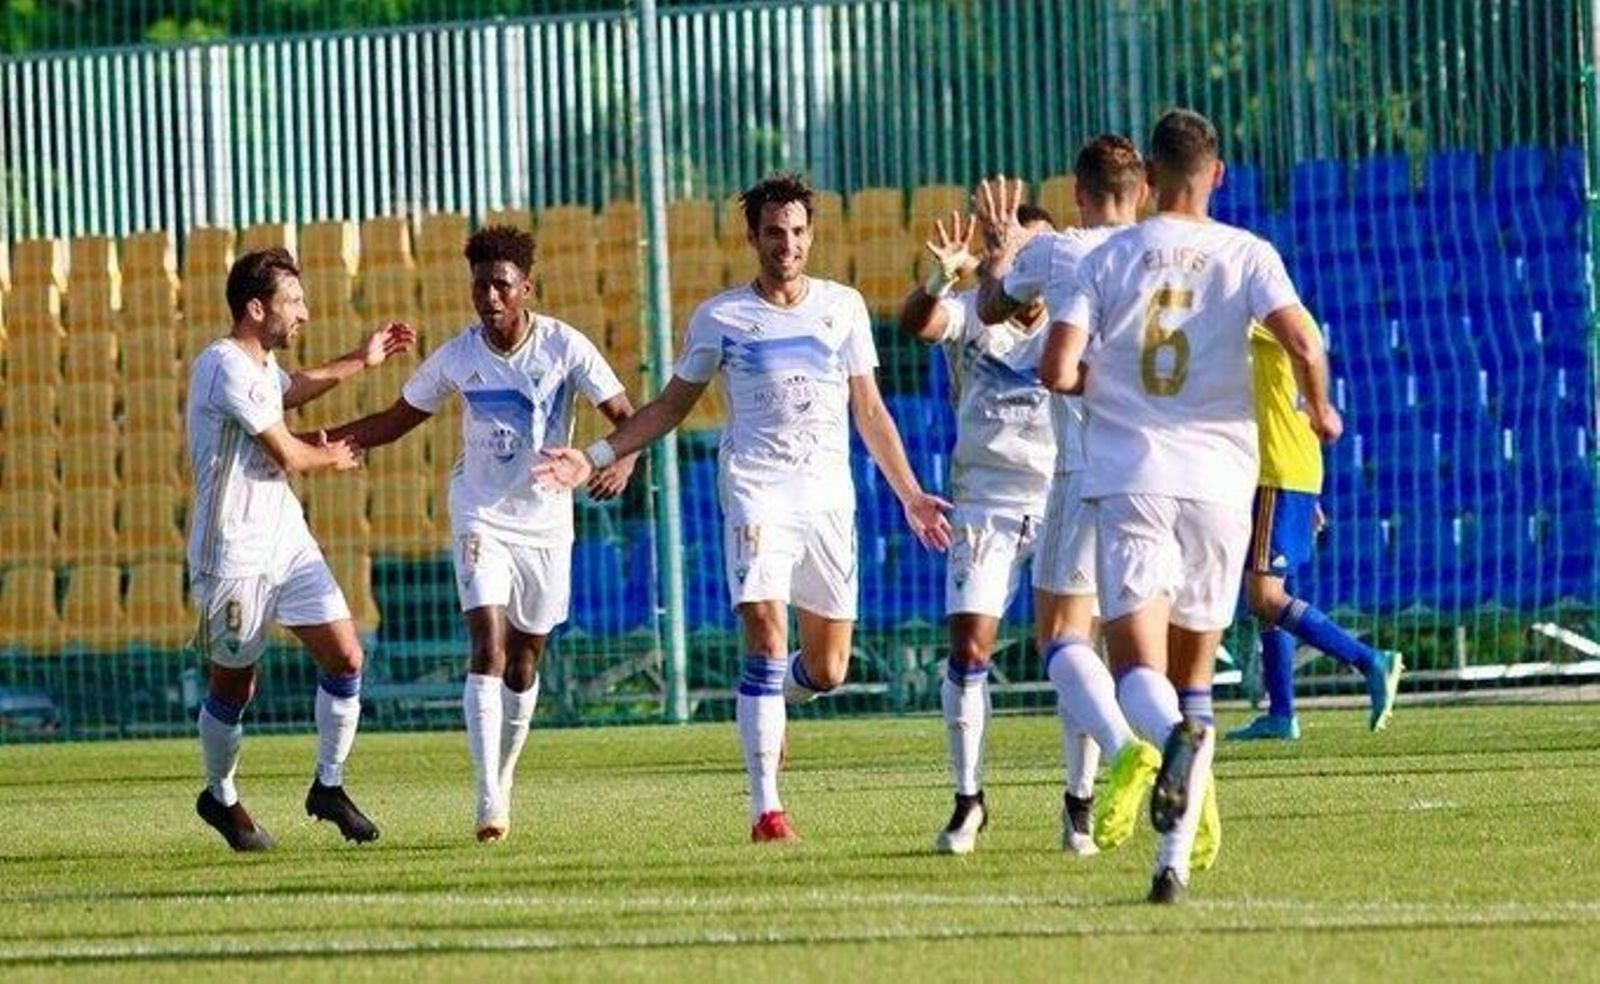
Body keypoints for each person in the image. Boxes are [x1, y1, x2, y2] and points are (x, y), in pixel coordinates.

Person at [535, 173, 951, 843]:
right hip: (758, 492)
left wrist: (909, 495)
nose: (785, 244)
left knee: (829, 670)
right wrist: (596, 455)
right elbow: (671, 406)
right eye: (773, 233)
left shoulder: (840, 308)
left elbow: (868, 409)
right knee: (764, 635)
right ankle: (767, 808)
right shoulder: (721, 318)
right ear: (753, 238)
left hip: (827, 501)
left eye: (796, 232)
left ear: (810, 236)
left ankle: (772, 704)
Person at [1041, 109, 1341, 903]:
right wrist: (1321, 410)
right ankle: (1169, 867)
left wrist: (1093, 383)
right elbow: (1306, 342)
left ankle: (1169, 741)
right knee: (1196, 675)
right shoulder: (1248, 253)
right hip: (1220, 484)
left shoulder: (1106, 256)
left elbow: (1057, 367)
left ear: (1148, 181)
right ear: (1217, 174)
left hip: (1132, 473)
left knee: (1138, 666)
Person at [322, 225, 637, 843]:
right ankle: (487, 796)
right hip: (480, 515)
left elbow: (627, 419)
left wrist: (616, 463)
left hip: (546, 524)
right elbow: (395, 419)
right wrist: (321, 443)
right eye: (480, 285)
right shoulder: (460, 356)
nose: (489, 297)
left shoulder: (564, 347)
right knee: (488, 645)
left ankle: (506, 775)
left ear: (527, 288)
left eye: (501, 285)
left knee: (524, 662)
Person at [188, 247, 416, 851]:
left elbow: (291, 389)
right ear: (256, 308)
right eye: (294, 302)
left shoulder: (260, 368)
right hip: (232, 552)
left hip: (285, 539)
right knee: (235, 687)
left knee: (346, 657)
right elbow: (289, 452)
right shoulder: (223, 365)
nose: (305, 314)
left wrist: (361, 361)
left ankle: (329, 785)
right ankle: (220, 794)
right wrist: (334, 454)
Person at [973, 135, 1147, 856]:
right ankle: (1086, 806)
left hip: (1082, 471)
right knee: (1129, 651)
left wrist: (1002, 252)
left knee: (1062, 640)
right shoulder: (1168, 254)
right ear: (1140, 190)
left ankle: (1124, 751)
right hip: (1158, 474)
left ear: (1077, 193)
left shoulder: (1060, 252)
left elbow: (988, 308)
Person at [1227, 323, 1403, 740]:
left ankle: (1370, 661)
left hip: (1278, 472)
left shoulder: (1262, 313)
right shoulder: (1269, 321)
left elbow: (1305, 351)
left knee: (1266, 596)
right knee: (1266, 594)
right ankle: (1282, 714)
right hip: (1280, 470)